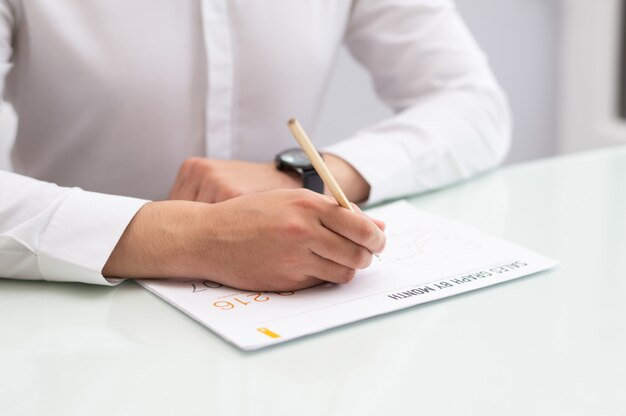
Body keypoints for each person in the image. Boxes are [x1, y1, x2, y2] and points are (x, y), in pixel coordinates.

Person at [0, 1, 511, 290]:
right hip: (72, 300)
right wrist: (196, 237)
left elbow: (473, 104)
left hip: (287, 310)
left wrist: (300, 173)